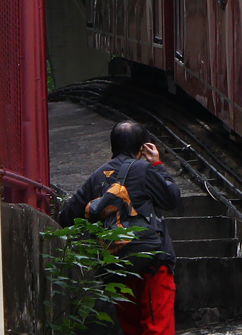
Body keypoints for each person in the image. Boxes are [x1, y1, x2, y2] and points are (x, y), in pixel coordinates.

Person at [57, 121, 181, 335]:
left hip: (116, 264)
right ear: (142, 148)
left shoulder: (97, 177)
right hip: (153, 261)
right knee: (158, 327)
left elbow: (66, 217)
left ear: (112, 145)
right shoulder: (144, 170)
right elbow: (172, 198)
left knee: (132, 328)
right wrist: (157, 164)